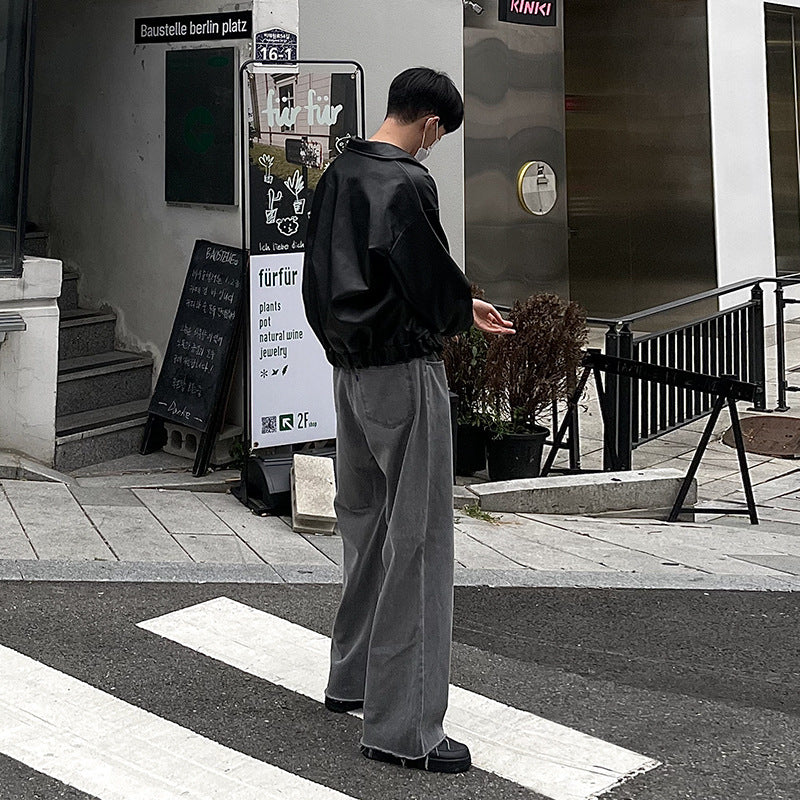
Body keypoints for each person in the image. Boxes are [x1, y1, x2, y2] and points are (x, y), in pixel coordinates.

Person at [302, 66, 514, 774]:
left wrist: (459, 306)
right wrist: (462, 312)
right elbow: (425, 275)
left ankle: (351, 678)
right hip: (403, 372)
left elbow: (321, 275)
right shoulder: (407, 181)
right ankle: (404, 730)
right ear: (429, 124)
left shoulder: (341, 170)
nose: (432, 149)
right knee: (419, 540)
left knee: (365, 523)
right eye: (438, 138)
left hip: (348, 371)